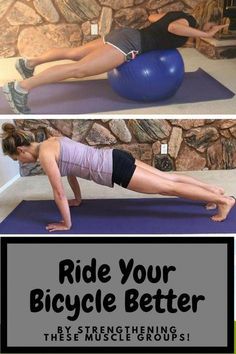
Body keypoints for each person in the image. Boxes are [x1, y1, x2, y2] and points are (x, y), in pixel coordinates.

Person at [1, 123, 235, 232]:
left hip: (114, 170)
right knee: (169, 180)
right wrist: (78, 199)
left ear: (21, 150)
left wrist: (67, 223)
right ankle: (214, 193)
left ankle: (224, 202)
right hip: (115, 158)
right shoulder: (51, 142)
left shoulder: (44, 155)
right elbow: (71, 170)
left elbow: (58, 191)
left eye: (16, 159)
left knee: (169, 187)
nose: (20, 162)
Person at [2, 11, 228, 114]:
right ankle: (21, 88)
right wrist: (203, 34)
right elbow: (174, 28)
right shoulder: (185, 20)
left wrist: (204, 30)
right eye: (204, 26)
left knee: (75, 53)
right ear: (196, 20)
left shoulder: (174, 13)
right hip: (130, 44)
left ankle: (30, 63)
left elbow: (152, 17)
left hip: (125, 34)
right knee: (80, 70)